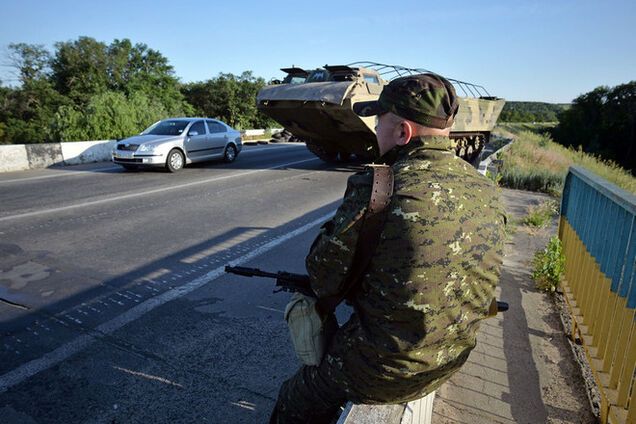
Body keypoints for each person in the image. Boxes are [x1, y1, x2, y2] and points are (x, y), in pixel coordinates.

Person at [270, 73, 506, 423]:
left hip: (386, 372)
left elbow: (322, 275)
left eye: (379, 121)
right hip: (452, 357)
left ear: (402, 133)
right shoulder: (486, 190)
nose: (375, 129)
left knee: (297, 396)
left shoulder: (378, 187)